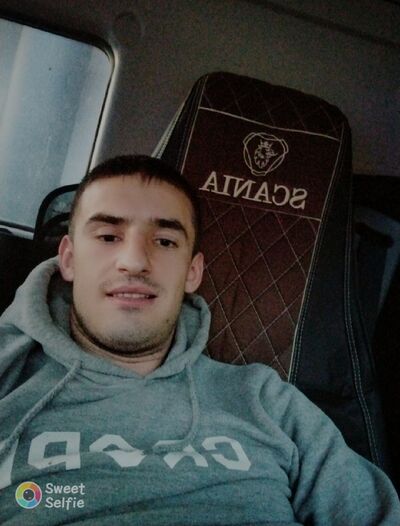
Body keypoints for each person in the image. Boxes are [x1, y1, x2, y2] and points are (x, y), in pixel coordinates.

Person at [0, 155, 399, 525]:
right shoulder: (9, 379)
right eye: (107, 236)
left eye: (165, 241)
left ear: (193, 272)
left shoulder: (268, 402)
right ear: (68, 259)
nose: (134, 261)